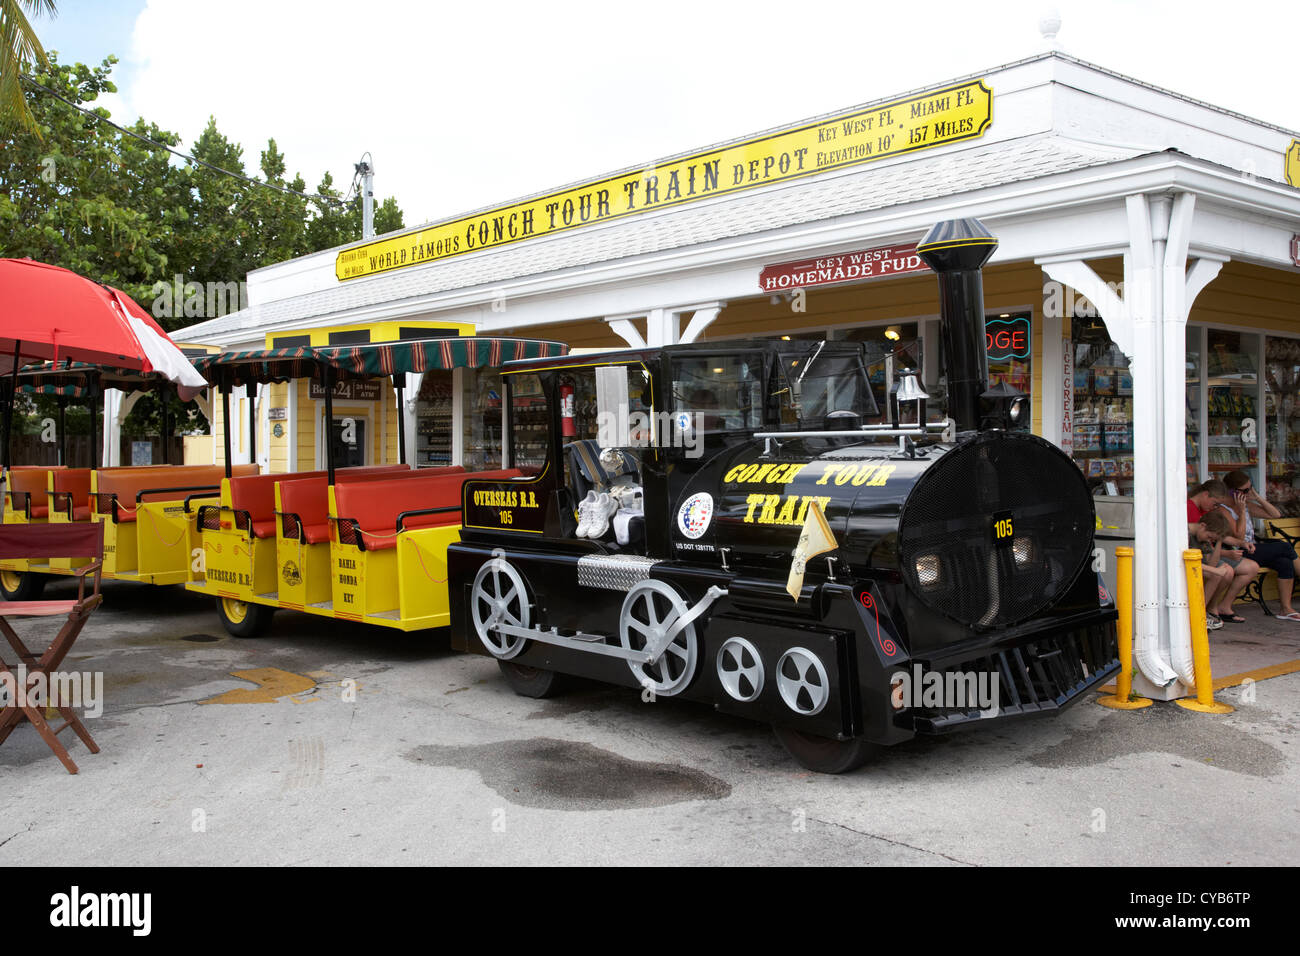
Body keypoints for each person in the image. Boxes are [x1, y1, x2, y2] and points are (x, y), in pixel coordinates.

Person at [1222, 469, 1300, 622]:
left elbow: (1275, 514)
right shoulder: (1225, 509)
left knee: (1284, 563)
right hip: (1238, 550)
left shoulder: (1247, 504)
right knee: (1284, 547)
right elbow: (1238, 537)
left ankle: (1286, 609)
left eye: (1250, 488)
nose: (1248, 493)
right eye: (1245, 490)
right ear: (1232, 492)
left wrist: (1256, 496)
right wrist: (1242, 512)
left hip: (1253, 547)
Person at [1190, 510, 1234, 629]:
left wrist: (1218, 541)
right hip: (1182, 570)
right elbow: (1186, 562)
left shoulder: (1203, 537)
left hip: (1193, 570)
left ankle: (1201, 611)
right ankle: (1198, 614)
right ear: (1203, 526)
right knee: (1215, 574)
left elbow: (1212, 563)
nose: (1209, 540)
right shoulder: (1186, 534)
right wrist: (1216, 571)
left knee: (1220, 572)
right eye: (1209, 537)